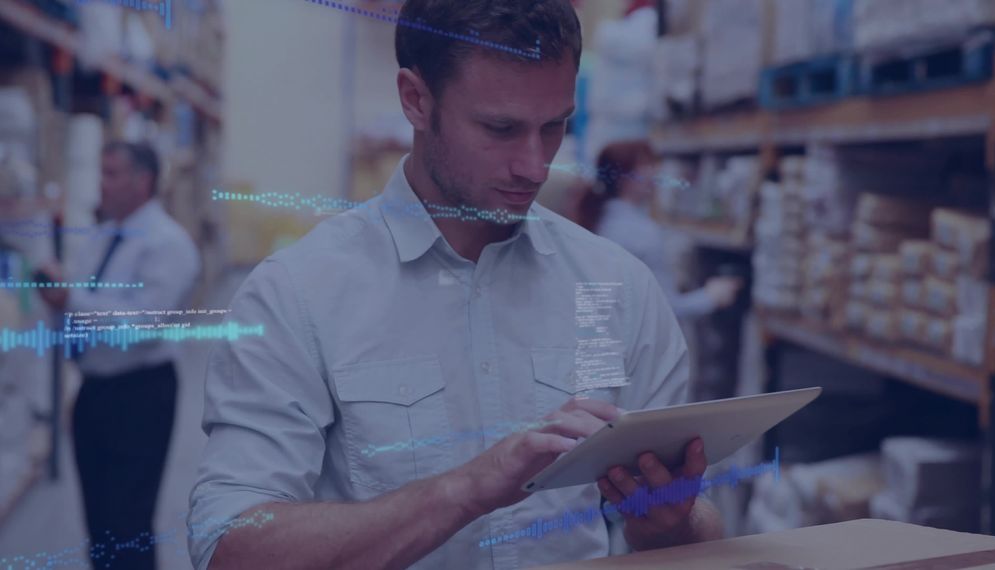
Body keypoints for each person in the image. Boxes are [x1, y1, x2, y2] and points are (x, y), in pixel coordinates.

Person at [188, 2, 723, 569]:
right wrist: (468, 488)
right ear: (416, 100)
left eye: (554, 126)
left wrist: (668, 521)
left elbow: (694, 528)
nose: (536, 166)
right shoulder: (298, 294)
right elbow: (230, 546)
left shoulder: (620, 287)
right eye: (501, 128)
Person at [35, 141, 201, 570]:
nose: (101, 185)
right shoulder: (102, 234)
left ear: (142, 181)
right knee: (100, 522)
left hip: (140, 394)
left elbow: (143, 326)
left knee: (129, 524)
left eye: (111, 174)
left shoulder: (169, 244)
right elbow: (84, 298)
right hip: (95, 391)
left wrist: (70, 298)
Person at [576, 140, 740, 319]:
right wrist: (711, 296)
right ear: (624, 177)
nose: (654, 172)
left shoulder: (602, 218)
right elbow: (663, 309)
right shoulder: (638, 232)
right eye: (645, 165)